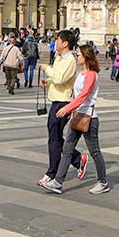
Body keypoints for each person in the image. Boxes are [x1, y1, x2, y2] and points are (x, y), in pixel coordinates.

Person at [51, 41, 109, 194]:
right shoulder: (80, 73)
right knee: (67, 149)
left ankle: (103, 182)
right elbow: (76, 94)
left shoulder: (91, 75)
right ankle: (58, 182)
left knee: (94, 151)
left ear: (86, 57)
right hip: (77, 116)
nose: (77, 57)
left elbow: (83, 96)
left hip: (89, 118)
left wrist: (66, 108)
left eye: (78, 55)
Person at [38, 29, 81, 189]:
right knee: (54, 136)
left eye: (58, 40)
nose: (55, 42)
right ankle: (77, 159)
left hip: (63, 102)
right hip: (56, 101)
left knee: (54, 138)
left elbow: (62, 78)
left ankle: (52, 173)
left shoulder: (70, 60)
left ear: (65, 43)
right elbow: (57, 77)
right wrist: (47, 82)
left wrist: (47, 69)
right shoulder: (59, 58)